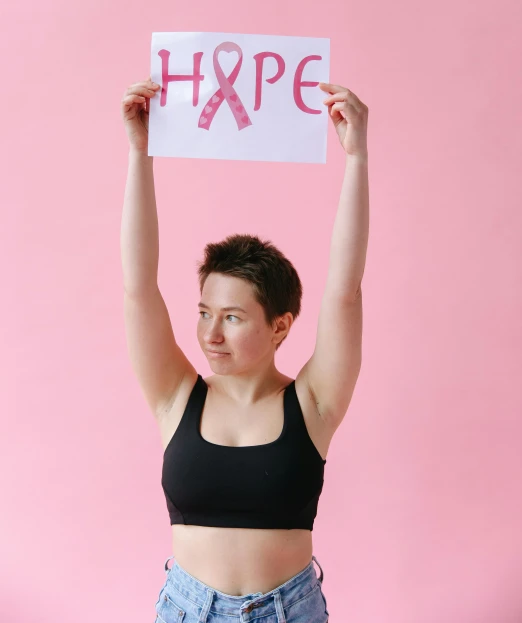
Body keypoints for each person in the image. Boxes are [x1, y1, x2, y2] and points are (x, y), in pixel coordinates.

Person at [120, 75, 369, 622]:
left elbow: (344, 292)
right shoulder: (175, 397)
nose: (211, 334)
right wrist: (141, 153)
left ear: (280, 327)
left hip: (288, 610)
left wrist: (356, 158)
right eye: (205, 313)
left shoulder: (314, 404)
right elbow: (139, 286)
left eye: (232, 318)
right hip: (186, 609)